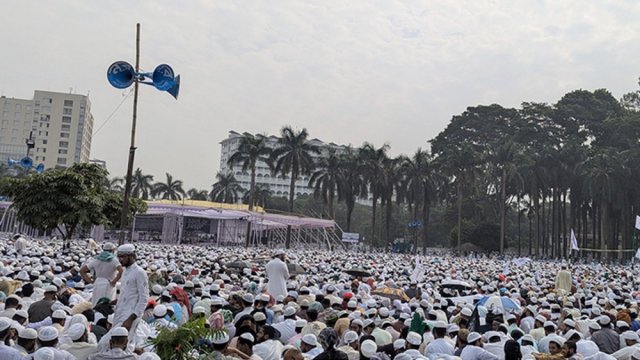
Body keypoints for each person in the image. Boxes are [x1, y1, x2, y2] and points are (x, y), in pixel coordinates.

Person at [98, 244, 148, 353]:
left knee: (119, 344)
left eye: (123, 257)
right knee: (115, 344)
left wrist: (131, 318)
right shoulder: (125, 271)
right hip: (120, 312)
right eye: (119, 257)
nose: (120, 260)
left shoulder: (139, 272)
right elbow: (127, 293)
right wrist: (115, 301)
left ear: (131, 256)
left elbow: (144, 298)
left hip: (130, 314)